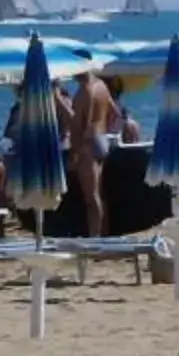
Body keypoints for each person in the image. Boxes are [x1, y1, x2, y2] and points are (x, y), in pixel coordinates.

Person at [69, 71, 122, 236]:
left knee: (91, 198)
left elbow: (78, 126)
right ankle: (103, 234)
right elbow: (116, 115)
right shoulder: (101, 86)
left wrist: (75, 153)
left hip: (88, 145)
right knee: (99, 194)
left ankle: (94, 237)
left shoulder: (84, 92)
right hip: (102, 140)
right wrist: (104, 129)